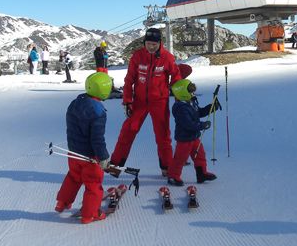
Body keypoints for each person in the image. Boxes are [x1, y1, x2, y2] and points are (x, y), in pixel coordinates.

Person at [110, 28, 182, 175]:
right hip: (139, 102)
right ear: (144, 42)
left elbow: (176, 78)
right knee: (127, 131)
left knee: (163, 136)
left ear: (159, 43)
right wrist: (127, 101)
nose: (151, 47)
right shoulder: (137, 56)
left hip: (159, 102)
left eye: (154, 44)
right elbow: (129, 80)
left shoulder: (167, 58)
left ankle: (167, 168)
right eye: (148, 44)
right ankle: (115, 166)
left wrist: (181, 97)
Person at [54, 72, 112, 224]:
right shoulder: (98, 112)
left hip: (73, 153)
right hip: (89, 157)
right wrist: (103, 157)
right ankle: (90, 214)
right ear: (104, 90)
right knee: (93, 183)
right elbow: (97, 139)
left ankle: (62, 203)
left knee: (73, 177)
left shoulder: (75, 103)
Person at [166, 79, 219, 186]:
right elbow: (188, 124)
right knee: (180, 158)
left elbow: (198, 113)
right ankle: (173, 176)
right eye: (190, 91)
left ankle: (201, 174)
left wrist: (211, 108)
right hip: (184, 139)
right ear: (183, 92)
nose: (192, 93)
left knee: (200, 155)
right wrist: (202, 125)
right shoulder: (180, 108)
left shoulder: (190, 102)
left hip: (194, 137)